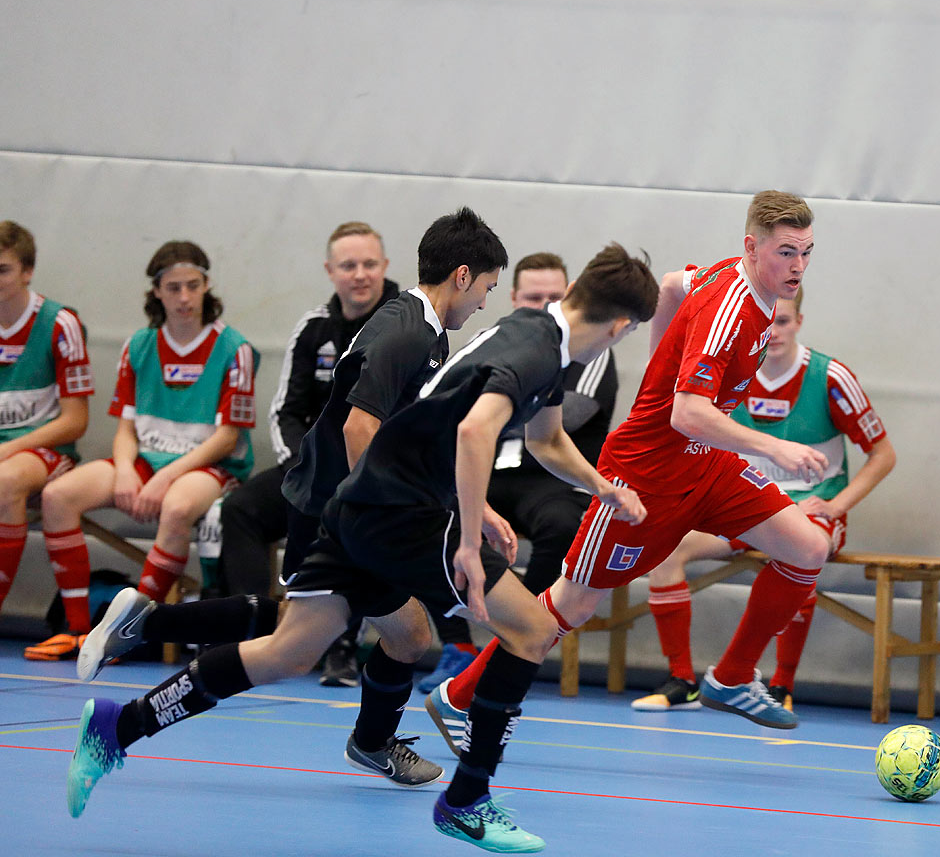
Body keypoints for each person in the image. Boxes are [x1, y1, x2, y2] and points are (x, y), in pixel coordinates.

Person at [67, 244, 657, 856]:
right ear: (619, 327)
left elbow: (548, 439)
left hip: (364, 503)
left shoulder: (539, 337)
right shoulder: (534, 349)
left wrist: (605, 488)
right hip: (406, 515)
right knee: (532, 631)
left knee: (290, 651)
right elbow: (474, 430)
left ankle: (118, 728)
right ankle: (466, 800)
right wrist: (468, 522)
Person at [77, 207, 507, 790]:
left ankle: (149, 630)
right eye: (485, 287)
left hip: (337, 507)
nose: (484, 302)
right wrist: (385, 515)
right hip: (340, 514)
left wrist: (468, 503)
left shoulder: (420, 327)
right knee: (291, 650)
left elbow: (403, 436)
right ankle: (120, 724)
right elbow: (361, 429)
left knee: (394, 634)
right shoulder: (408, 333)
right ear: (462, 275)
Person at [425, 190, 834, 748]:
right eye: (787, 253)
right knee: (570, 604)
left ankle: (734, 676)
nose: (799, 267)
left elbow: (670, 284)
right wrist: (772, 447)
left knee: (808, 548)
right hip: (645, 475)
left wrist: (659, 367)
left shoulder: (730, 280)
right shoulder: (729, 309)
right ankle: (459, 698)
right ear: (751, 247)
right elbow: (687, 413)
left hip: (706, 464)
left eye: (807, 252)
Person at [630, 287, 895, 712]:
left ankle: (781, 685)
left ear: (800, 323)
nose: (774, 332)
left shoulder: (830, 377)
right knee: (667, 551)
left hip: (811, 506)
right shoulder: (731, 366)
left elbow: (883, 454)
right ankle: (681, 679)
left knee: (802, 548)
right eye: (767, 322)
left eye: (784, 321)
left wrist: (837, 505)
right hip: (748, 503)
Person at [35, 241, 256, 661]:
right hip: (145, 458)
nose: (185, 297)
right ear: (157, 291)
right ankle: (77, 627)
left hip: (209, 464)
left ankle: (130, 631)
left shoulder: (234, 349)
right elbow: (126, 427)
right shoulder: (139, 344)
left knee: (175, 508)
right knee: (57, 496)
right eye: (174, 288)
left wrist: (164, 476)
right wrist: (123, 470)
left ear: (207, 285)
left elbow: (227, 438)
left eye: (193, 286)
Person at [417, 251, 619, 695]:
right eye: (534, 297)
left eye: (555, 296)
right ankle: (460, 647)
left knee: (563, 524)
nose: (546, 306)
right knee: (432, 521)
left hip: (546, 482)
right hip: (479, 472)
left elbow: (554, 429)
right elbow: (463, 422)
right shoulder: (503, 342)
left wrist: (602, 487)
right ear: (511, 298)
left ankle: (517, 638)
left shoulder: (584, 350)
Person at [212, 221, 398, 686]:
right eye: (349, 265)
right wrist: (306, 465)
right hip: (309, 466)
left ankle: (341, 647)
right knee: (240, 510)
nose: (360, 274)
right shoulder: (314, 327)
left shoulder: (406, 326)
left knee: (346, 514)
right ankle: (255, 630)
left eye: (369, 264)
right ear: (330, 271)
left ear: (385, 267)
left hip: (375, 473)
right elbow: (285, 411)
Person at [0, 222, 94, 657]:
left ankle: (78, 628)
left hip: (46, 451)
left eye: (2, 269)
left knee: (5, 481)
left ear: (27, 271)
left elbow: (76, 421)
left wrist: (10, 447)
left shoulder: (59, 323)